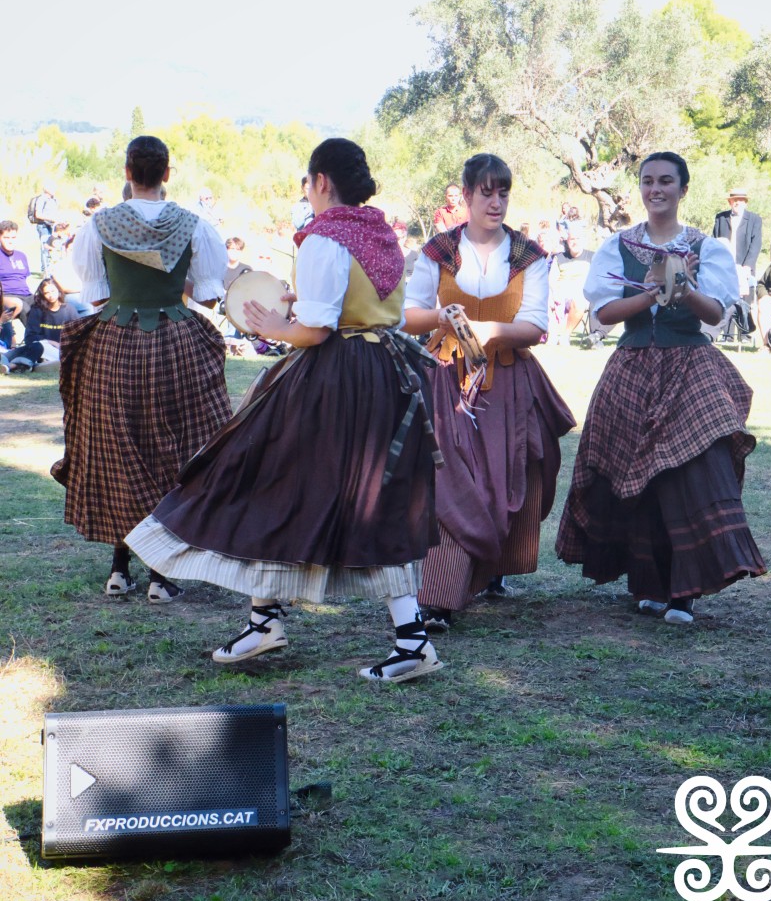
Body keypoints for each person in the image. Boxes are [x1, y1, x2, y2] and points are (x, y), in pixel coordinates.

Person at [126, 138, 443, 683]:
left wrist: (274, 327)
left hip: (336, 378)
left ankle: (294, 625)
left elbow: (316, 331)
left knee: (277, 484)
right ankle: (288, 622)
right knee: (363, 497)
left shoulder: (325, 237)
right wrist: (300, 310)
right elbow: (357, 308)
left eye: (308, 181)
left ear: (321, 181)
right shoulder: (379, 230)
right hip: (383, 375)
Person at [556, 152, 765, 625]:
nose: (656, 189)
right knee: (632, 475)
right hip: (631, 365)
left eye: (666, 181)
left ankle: (685, 590)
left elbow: (714, 314)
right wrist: (651, 291)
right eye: (648, 181)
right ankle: (651, 584)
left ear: (683, 190)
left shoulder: (706, 246)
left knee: (691, 472)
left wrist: (682, 286)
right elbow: (603, 316)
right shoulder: (618, 246)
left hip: (690, 365)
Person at [51, 136, 232, 604]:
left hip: (116, 342)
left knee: (118, 450)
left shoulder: (100, 224)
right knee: (175, 449)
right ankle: (161, 573)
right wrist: (175, 280)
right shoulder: (195, 224)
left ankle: (118, 568)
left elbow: (93, 296)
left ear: (128, 173)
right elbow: (210, 294)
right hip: (175, 341)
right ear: (167, 174)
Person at [404, 153, 575, 629]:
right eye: (486, 192)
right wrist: (442, 317)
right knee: (453, 481)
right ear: (466, 195)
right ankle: (437, 599)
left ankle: (493, 567)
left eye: (503, 193)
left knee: (509, 476)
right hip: (445, 378)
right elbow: (408, 314)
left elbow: (535, 325)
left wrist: (483, 328)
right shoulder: (438, 250)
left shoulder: (528, 255)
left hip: (507, 381)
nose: (495, 202)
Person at [0, 276, 77, 373]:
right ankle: (24, 364)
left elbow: (78, 334)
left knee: (38, 348)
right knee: (38, 346)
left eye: (53, 291)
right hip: (42, 348)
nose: (50, 295)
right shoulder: (37, 310)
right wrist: (50, 342)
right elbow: (30, 338)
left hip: (63, 350)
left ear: (59, 291)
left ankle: (13, 365)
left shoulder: (69, 310)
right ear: (42, 294)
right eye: (46, 293)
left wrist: (61, 345)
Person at [0, 221, 34, 348]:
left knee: (44, 306)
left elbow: (27, 278)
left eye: (13, 237)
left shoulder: (21, 256)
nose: (10, 241)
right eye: (6, 238)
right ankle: (34, 344)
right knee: (24, 307)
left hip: (25, 293)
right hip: (7, 295)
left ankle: (52, 344)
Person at [712, 189, 762, 275]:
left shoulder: (755, 219)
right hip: (723, 268)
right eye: (735, 200)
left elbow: (756, 244)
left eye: (741, 200)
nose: (737, 203)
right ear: (729, 202)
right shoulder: (721, 218)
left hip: (745, 269)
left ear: (746, 203)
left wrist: (747, 266)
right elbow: (714, 241)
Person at [31, 183, 59, 273]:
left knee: (52, 246)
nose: (55, 189)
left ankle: (50, 269)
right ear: (46, 189)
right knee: (45, 247)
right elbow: (38, 215)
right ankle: (45, 271)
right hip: (43, 226)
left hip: (51, 226)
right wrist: (51, 219)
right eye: (52, 187)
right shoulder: (42, 199)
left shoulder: (53, 199)